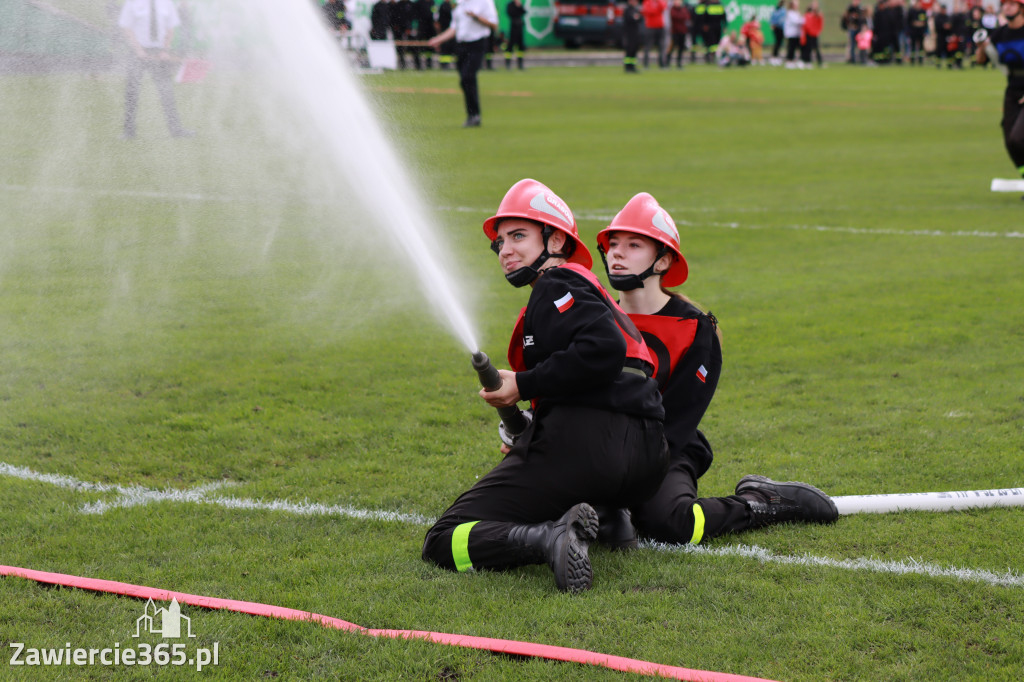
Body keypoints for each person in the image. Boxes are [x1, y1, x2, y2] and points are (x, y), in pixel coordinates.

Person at [420, 179, 669, 593]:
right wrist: (531, 422)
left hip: (589, 449)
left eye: (519, 236)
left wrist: (523, 384)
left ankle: (547, 538)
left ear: (555, 240)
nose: (506, 251)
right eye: (500, 242)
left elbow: (603, 351)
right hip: (645, 463)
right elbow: (614, 369)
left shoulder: (556, 284)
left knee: (443, 540)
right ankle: (611, 520)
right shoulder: (589, 289)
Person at [593, 193, 838, 549]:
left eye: (633, 245)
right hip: (601, 446)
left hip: (667, 446)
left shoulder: (695, 328)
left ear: (662, 261)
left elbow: (676, 420)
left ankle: (762, 502)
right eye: (613, 244)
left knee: (669, 524)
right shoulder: (597, 317)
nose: (616, 252)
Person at [118, 0, 193, 140]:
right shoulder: (132, 3)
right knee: (132, 92)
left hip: (159, 52)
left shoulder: (166, 3)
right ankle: (129, 132)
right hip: (137, 52)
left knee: (166, 92)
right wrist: (139, 51)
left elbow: (170, 28)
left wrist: (165, 50)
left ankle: (176, 130)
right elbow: (126, 27)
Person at [976, 0, 1024, 190]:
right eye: (1004, 4)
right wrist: (982, 46)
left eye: (1012, 4)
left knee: (1018, 138)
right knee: (1010, 142)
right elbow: (981, 61)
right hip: (1012, 90)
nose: (1007, 7)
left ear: (1021, 8)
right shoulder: (1000, 33)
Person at [428, 0, 499, 127]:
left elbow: (494, 25)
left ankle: (474, 115)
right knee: (464, 81)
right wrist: (438, 39)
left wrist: (476, 17)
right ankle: (472, 115)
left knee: (468, 77)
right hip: (461, 46)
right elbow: (454, 28)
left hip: (477, 44)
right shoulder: (460, 3)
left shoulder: (485, 2)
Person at [642, 0, 669, 68]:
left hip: (660, 26)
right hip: (650, 27)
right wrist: (657, 10)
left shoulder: (660, 1)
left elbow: (664, 7)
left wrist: (658, 2)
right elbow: (648, 11)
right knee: (648, 46)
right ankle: (646, 63)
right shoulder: (647, 2)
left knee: (662, 46)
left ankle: (662, 63)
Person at [623, 0, 644, 72]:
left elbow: (640, 18)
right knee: (629, 50)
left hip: (635, 34)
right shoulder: (627, 10)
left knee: (634, 50)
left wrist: (636, 17)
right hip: (629, 34)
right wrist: (635, 18)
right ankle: (627, 67)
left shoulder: (635, 10)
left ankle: (633, 66)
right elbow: (630, 19)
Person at [668, 0, 691, 68]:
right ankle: (667, 61)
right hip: (675, 31)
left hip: (682, 31)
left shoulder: (684, 9)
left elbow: (687, 17)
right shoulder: (672, 9)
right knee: (672, 47)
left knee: (681, 48)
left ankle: (679, 62)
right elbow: (676, 16)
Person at [801, 0, 824, 67]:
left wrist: (817, 31)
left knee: (816, 48)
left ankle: (819, 62)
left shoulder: (817, 15)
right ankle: (807, 61)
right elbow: (806, 25)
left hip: (814, 34)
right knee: (808, 48)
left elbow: (820, 21)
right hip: (808, 34)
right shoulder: (807, 15)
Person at [505, 0, 527, 69]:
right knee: (510, 45)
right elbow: (510, 13)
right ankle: (508, 63)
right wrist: (516, 7)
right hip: (513, 28)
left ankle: (520, 63)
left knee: (521, 46)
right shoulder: (510, 5)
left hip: (520, 27)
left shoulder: (519, 4)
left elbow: (524, 11)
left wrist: (519, 6)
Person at [783, 0, 805, 68]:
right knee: (791, 48)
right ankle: (789, 61)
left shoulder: (797, 13)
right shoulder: (790, 13)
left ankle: (797, 60)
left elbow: (800, 20)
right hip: (791, 34)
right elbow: (797, 21)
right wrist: (803, 20)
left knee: (798, 48)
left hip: (797, 34)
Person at [906, 0, 928, 65]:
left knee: (921, 46)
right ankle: (912, 61)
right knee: (912, 46)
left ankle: (920, 60)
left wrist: (924, 30)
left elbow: (925, 22)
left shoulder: (923, 11)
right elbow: (908, 22)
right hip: (913, 32)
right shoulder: (911, 11)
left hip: (921, 32)